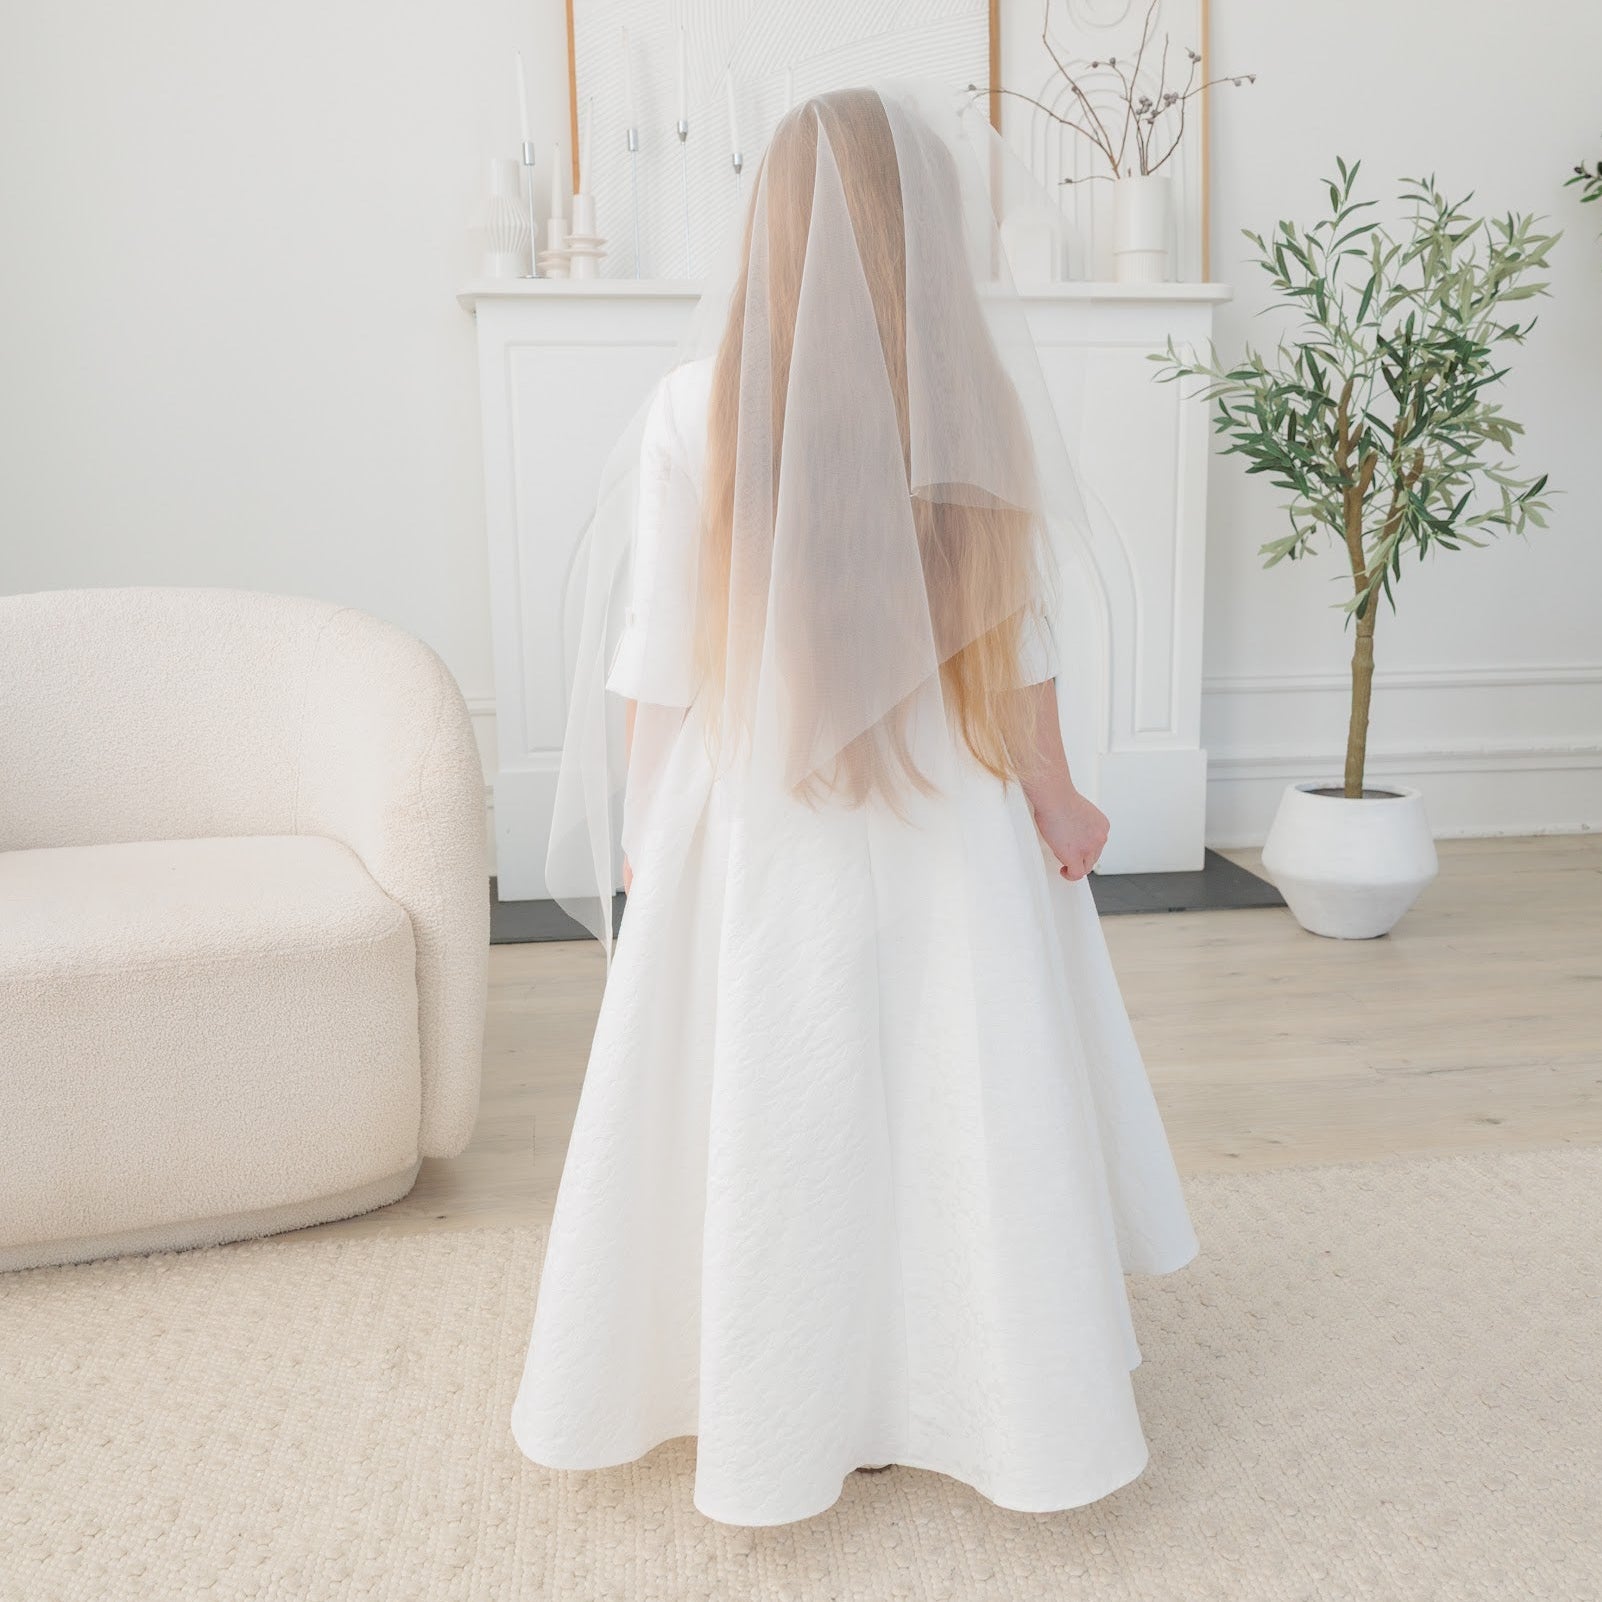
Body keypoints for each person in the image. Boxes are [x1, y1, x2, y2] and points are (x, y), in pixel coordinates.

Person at [511, 81, 1198, 1528]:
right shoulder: (974, 398)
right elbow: (1017, 639)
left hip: (757, 813)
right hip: (948, 802)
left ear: (765, 227)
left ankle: (777, 1381)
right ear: (930, 231)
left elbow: (659, 655)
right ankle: (971, 1372)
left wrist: (648, 835)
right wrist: (1059, 796)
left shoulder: (692, 407)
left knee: (779, 1091)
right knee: (956, 1084)